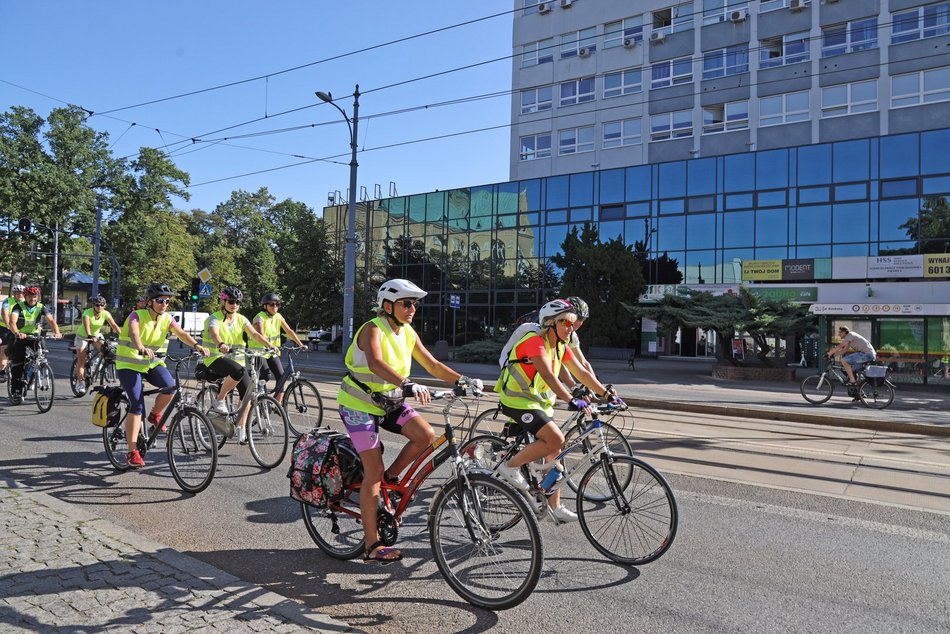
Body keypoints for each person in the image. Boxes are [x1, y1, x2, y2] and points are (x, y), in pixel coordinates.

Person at [337, 278, 482, 563]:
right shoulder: (372, 329)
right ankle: (372, 545)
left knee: (425, 435)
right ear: (387, 305)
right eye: (406, 303)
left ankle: (389, 479)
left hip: (388, 403)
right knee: (372, 471)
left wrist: (463, 379)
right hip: (358, 405)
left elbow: (433, 364)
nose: (412, 308)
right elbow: (377, 363)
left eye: (414, 303)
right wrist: (408, 383)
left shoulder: (408, 333)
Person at [494, 298, 622, 522]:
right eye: (566, 322)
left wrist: (607, 394)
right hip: (516, 400)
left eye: (573, 322)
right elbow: (548, 375)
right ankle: (510, 466)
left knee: (554, 451)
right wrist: (571, 398)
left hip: (538, 402)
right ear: (550, 323)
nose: (571, 327)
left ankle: (555, 507)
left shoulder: (561, 345)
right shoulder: (535, 341)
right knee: (555, 438)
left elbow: (582, 373)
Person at [115, 283, 209, 468]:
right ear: (150, 302)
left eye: (167, 301)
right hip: (129, 364)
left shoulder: (167, 318)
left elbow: (180, 333)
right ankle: (132, 451)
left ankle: (155, 415)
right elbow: (134, 333)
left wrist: (197, 346)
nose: (164, 304)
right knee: (136, 404)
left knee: (171, 387)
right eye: (160, 300)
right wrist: (141, 346)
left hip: (152, 363)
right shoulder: (137, 315)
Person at [202, 286, 278, 443]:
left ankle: (241, 428)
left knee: (247, 393)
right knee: (237, 370)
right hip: (215, 358)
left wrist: (269, 345)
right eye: (231, 301)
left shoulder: (242, 319)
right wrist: (221, 343)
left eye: (237, 302)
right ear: (223, 301)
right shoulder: (214, 318)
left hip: (237, 360)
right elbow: (214, 333)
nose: (234, 304)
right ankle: (219, 400)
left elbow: (255, 334)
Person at [8, 286, 62, 404]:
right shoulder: (19, 307)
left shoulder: (41, 307)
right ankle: (16, 390)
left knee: (42, 355)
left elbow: (51, 321)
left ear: (38, 297)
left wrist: (57, 332)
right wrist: (18, 333)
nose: (32, 298)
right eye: (30, 296)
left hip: (35, 336)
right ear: (25, 297)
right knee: (18, 363)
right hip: (21, 336)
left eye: (35, 296)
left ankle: (34, 375)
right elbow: (12, 322)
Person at [249, 292, 306, 402]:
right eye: (272, 304)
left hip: (271, 352)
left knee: (281, 376)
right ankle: (258, 400)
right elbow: (260, 334)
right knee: (265, 376)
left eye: (277, 304)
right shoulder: (259, 317)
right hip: (259, 352)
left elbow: (289, 331)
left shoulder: (278, 317)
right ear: (265, 306)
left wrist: (300, 344)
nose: (275, 307)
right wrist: (270, 345)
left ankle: (276, 403)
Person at [74, 295, 121, 395]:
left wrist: (123, 336)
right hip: (83, 336)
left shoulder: (105, 313)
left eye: (101, 305)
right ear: (93, 305)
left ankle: (96, 365)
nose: (99, 307)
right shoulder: (87, 313)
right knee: (81, 359)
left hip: (96, 335)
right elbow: (87, 326)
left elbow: (114, 325)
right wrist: (90, 335)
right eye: (97, 305)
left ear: (105, 306)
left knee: (106, 349)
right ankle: (80, 383)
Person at [0, 284, 26, 381]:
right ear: (13, 294)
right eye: (17, 293)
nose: (19, 295)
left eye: (21, 293)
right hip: (4, 328)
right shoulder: (8, 301)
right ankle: (2, 371)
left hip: (21, 329)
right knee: (5, 348)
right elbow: (5, 313)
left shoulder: (26, 302)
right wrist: (7, 325)